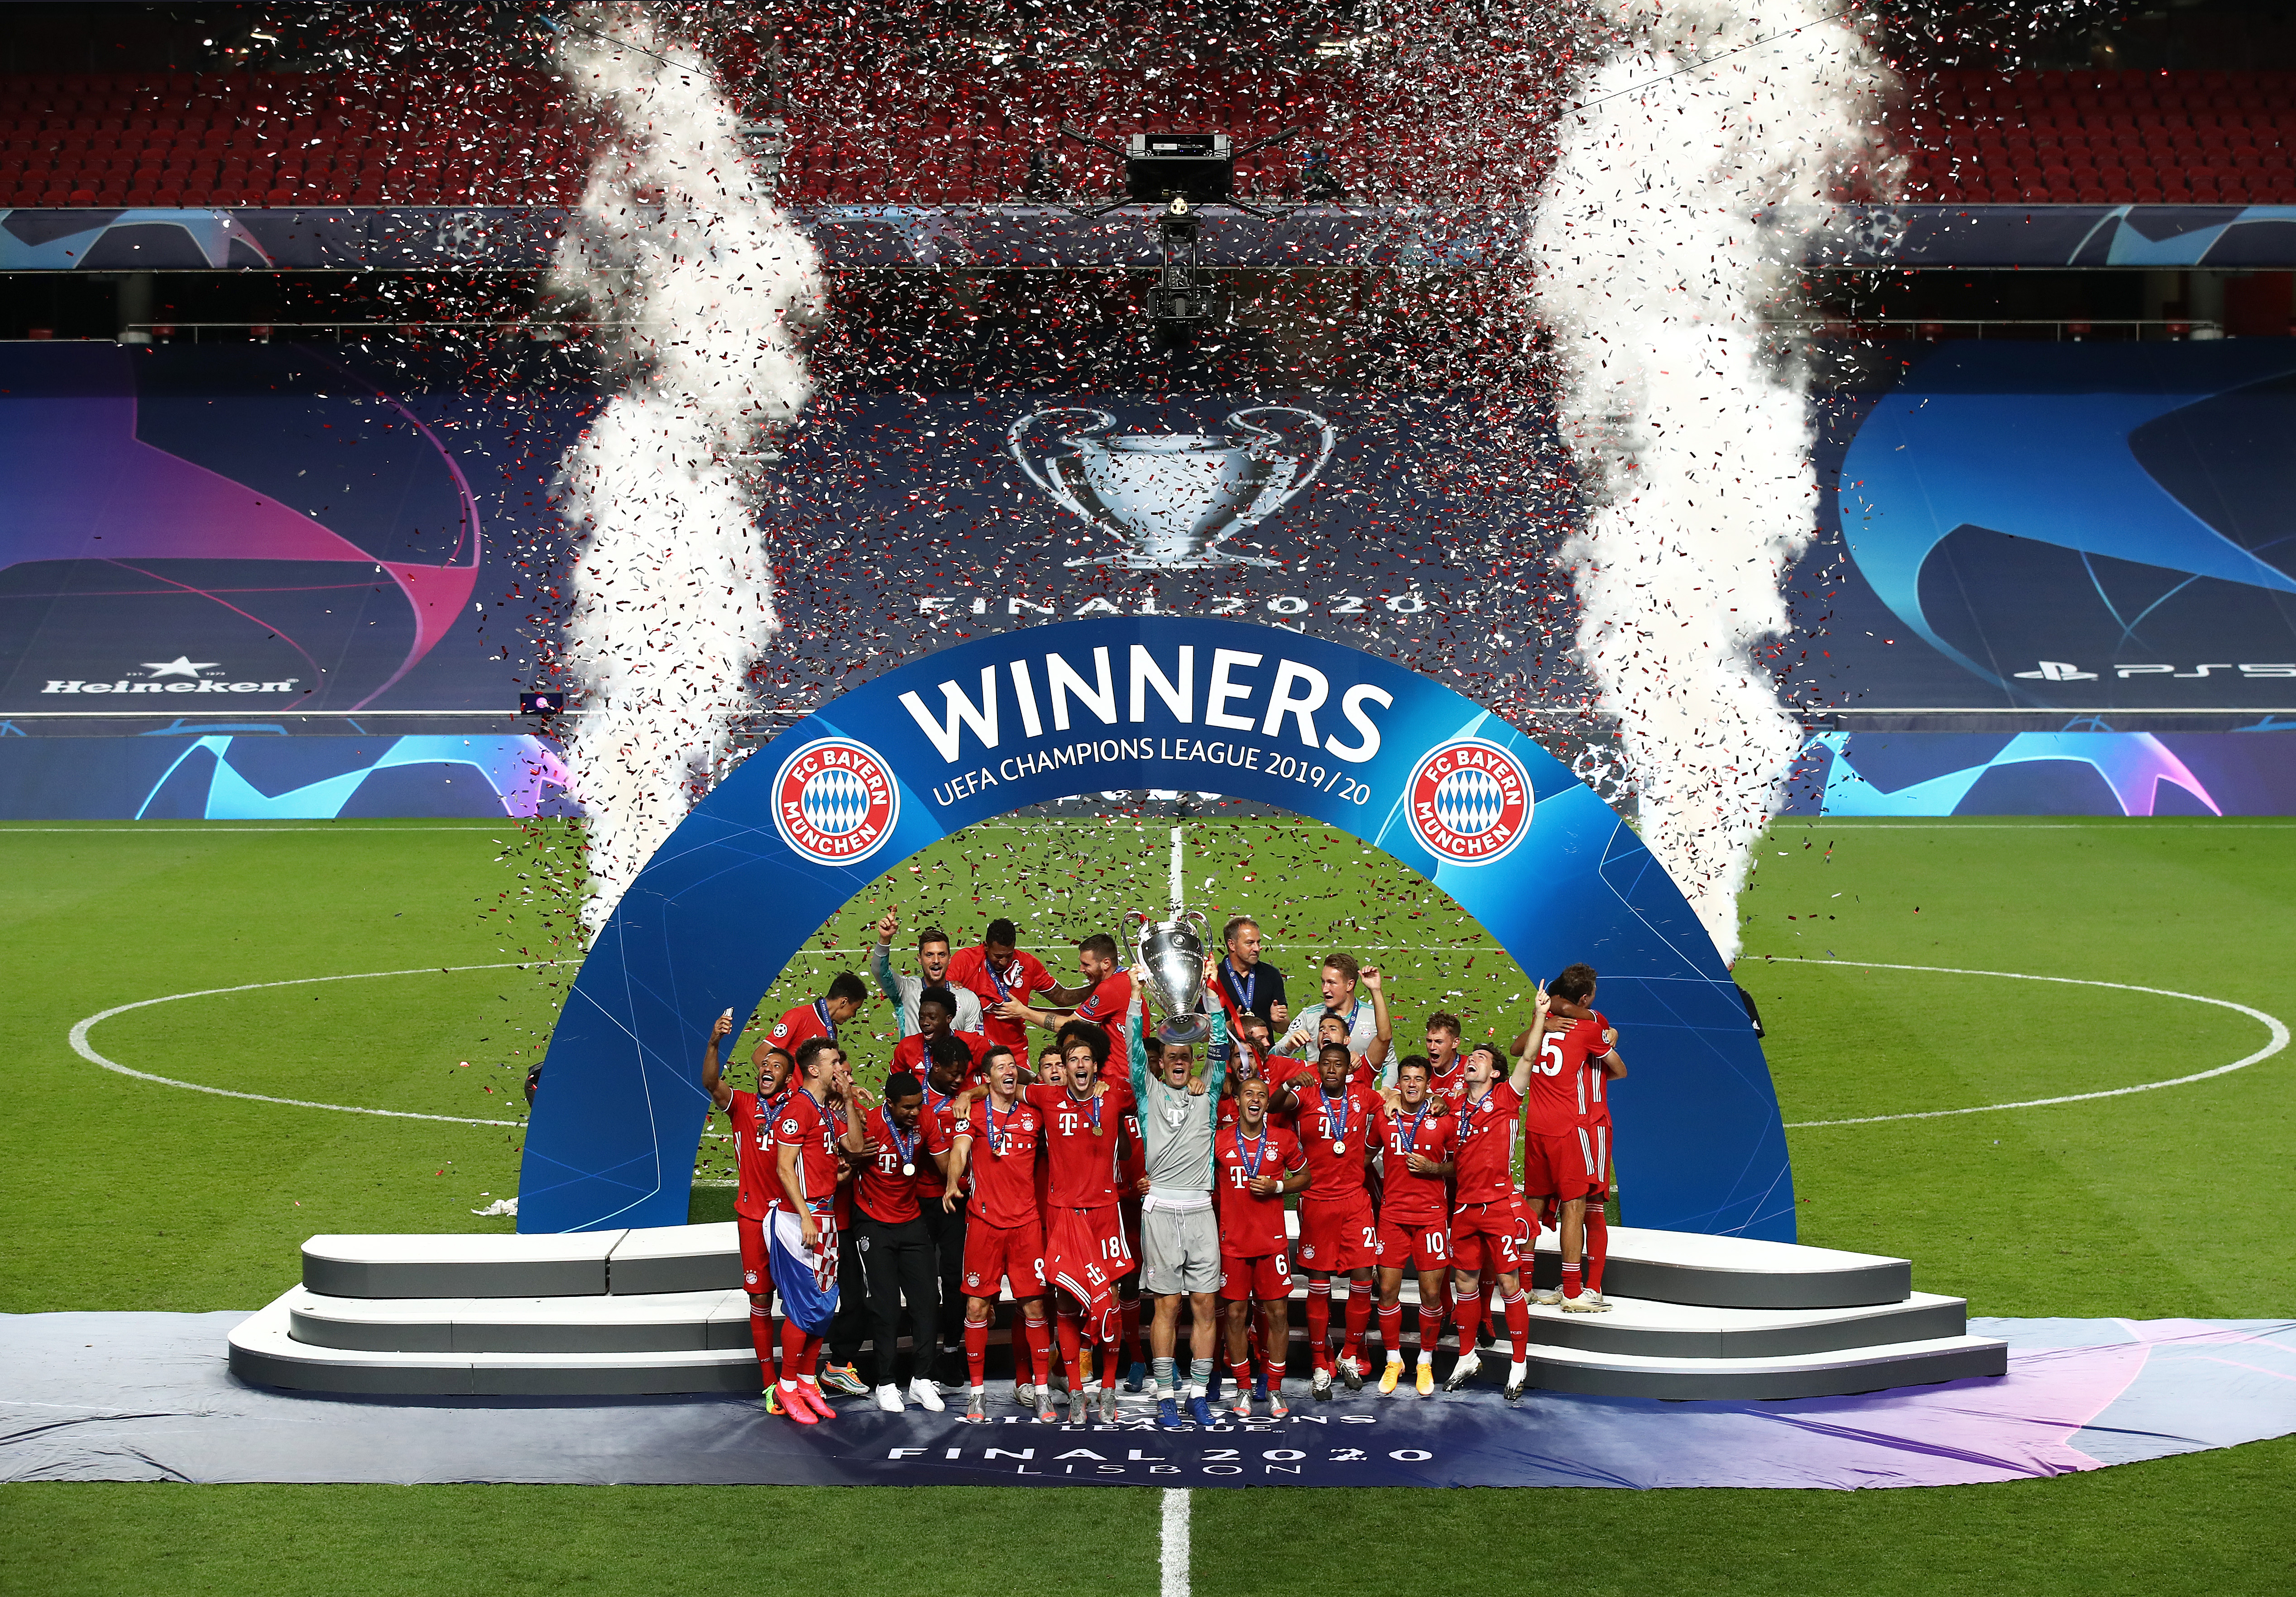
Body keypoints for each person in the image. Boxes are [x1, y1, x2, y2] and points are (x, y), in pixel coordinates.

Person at [1122, 970, 1229, 1429]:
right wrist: (1133, 995)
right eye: (1171, 1057)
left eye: (1187, 1056)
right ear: (1161, 1062)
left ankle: (1198, 1394)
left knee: (1205, 1304)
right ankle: (1166, 1393)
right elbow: (1131, 1051)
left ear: (1193, 1059)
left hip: (1201, 1209)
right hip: (1161, 1210)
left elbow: (1221, 1046)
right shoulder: (1148, 1096)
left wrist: (1209, 989)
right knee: (1166, 1306)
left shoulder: (1209, 1090)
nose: (1180, 1062)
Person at [1026, 1019, 1139, 1424]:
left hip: (1105, 1215)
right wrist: (971, 1094)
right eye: (1071, 1059)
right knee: (1067, 1303)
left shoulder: (1115, 1096)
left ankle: (1107, 1387)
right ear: (1065, 1066)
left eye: (1085, 1059)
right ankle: (1075, 1390)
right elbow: (1002, 1086)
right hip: (1063, 1215)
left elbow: (1146, 1078)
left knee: (1107, 1306)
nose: (1078, 1065)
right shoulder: (1046, 1096)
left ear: (1096, 1066)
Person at [1444, 994, 1553, 1402]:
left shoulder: (1508, 1097)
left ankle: (1519, 1362)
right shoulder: (1453, 1107)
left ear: (1495, 1073)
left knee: (1508, 1283)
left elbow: (1527, 1059)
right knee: (1465, 1282)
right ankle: (1467, 1355)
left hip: (1496, 1207)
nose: (1472, 1059)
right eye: (1469, 1056)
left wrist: (1539, 1016)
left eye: (1480, 1057)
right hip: (1464, 1210)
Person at [943, 1044, 1058, 1423]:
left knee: (1035, 1308)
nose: (1009, 1072)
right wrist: (951, 1183)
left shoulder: (1034, 1115)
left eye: (1013, 1066)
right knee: (976, 1307)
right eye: (1001, 1068)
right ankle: (977, 1394)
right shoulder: (972, 1116)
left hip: (1026, 1226)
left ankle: (1041, 1391)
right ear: (987, 1077)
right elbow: (960, 1151)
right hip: (984, 1224)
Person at [1272, 1038, 1385, 1398]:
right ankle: (1321, 1362)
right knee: (1318, 1283)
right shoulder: (1303, 1096)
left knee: (1363, 1276)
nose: (1332, 1069)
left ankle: (1350, 1354)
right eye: (1326, 1064)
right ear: (1318, 1068)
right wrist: (1290, 1083)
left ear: (1348, 1067)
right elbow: (1274, 1105)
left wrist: (1425, 1101)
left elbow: (1394, 1102)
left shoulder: (1364, 1096)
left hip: (1355, 1201)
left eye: (1339, 1064)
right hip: (1317, 1201)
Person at [843, 1070, 953, 1412]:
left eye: (918, 1106)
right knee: (887, 1305)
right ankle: (886, 1383)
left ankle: (921, 1381)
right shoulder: (871, 1122)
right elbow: (848, 1149)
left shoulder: (926, 1120)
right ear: (889, 1104)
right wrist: (855, 1149)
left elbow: (944, 1163)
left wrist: (956, 1174)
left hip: (910, 1218)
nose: (914, 1113)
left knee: (926, 1299)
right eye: (907, 1108)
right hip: (873, 1221)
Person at [1519, 964, 1625, 1312]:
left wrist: (1543, 1018)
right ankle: (1576, 1289)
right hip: (1581, 1126)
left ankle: (1523, 1284)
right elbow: (1620, 1069)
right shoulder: (1591, 1025)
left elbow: (1518, 1046)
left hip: (1537, 1125)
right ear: (1585, 997)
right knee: (1583, 1207)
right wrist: (1610, 1038)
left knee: (1535, 1203)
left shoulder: (1542, 1023)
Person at [702, 1011, 793, 1406]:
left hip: (790, 1219)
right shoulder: (741, 1105)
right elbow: (710, 1083)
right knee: (759, 1298)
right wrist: (713, 1044)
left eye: (776, 1065)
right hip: (754, 1217)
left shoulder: (799, 1111)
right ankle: (770, 1382)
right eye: (765, 1064)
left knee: (794, 1299)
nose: (767, 1069)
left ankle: (795, 1380)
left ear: (789, 1078)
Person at [769, 1036, 860, 1424]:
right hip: (797, 1221)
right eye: (833, 1062)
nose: (839, 1067)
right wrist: (805, 1216)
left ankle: (807, 1379)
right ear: (813, 1070)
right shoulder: (798, 1109)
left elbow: (854, 1147)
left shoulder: (826, 1111)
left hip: (824, 1218)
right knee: (804, 1307)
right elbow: (784, 1168)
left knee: (825, 1305)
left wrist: (851, 1100)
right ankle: (786, 1385)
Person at [1214, 1074, 1309, 1418]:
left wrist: (1278, 1187)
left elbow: (1305, 1177)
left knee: (1278, 1315)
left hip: (1271, 1244)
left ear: (1267, 1104)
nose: (1254, 1100)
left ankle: (1274, 1388)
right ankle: (1242, 1387)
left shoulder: (1283, 1140)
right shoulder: (1219, 1142)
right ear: (1237, 1102)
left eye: (1261, 1095)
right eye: (1247, 1094)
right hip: (1233, 1245)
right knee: (1236, 1316)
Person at [1373, 1055, 1457, 1397]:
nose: (1411, 1085)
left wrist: (1434, 1169)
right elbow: (1363, 1158)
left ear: (1427, 1085)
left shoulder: (1444, 1120)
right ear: (1399, 1083)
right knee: (1387, 1292)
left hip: (1430, 1218)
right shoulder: (1384, 1118)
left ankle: (1425, 1361)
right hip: (1392, 1217)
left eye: (1418, 1080)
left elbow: (1458, 1166)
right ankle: (1393, 1359)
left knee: (1432, 1294)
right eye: (1405, 1079)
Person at [915, 1032, 974, 1378]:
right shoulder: (913, 1099)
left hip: (956, 1202)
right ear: (934, 1067)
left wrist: (968, 1090)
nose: (957, 1080)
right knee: (923, 1283)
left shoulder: (965, 1097)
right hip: (920, 1201)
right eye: (952, 1073)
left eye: (962, 1074)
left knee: (954, 1279)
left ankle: (951, 1352)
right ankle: (924, 1356)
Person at [949, 918, 1090, 1057]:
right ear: (986, 946)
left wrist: (1098, 989)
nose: (1003, 962)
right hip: (975, 1048)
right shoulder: (966, 960)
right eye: (998, 956)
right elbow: (941, 994)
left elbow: (1061, 997)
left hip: (1015, 1051)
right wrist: (953, 987)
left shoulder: (1028, 964)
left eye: (1009, 955)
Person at [1276, 954, 1392, 1081]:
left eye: (1332, 983)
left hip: (1358, 1097)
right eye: (1323, 982)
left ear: (1350, 985)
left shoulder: (1375, 1017)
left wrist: (1387, 1090)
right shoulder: (1309, 1016)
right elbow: (1272, 1058)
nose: (1325, 989)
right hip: (1317, 1095)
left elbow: (1390, 1062)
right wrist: (1288, 1047)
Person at [872, 911, 984, 1036]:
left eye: (942, 955)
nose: (936, 961)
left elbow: (975, 1045)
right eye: (929, 955)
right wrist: (885, 940)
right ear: (920, 959)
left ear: (950, 959)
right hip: (914, 1056)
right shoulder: (906, 991)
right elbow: (880, 971)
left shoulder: (968, 999)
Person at [891, 985, 993, 1083]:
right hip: (923, 1101)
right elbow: (895, 1085)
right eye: (922, 1017)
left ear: (949, 1019)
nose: (925, 1023)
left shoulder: (974, 1044)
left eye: (933, 1018)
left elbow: (1001, 1075)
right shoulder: (907, 1047)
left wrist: (971, 1094)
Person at [767, 972, 869, 1056]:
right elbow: (761, 1054)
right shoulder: (798, 1016)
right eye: (855, 1009)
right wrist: (788, 1081)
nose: (854, 1016)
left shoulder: (832, 1030)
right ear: (844, 1002)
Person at [1213, 915, 1288, 1029]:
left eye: (1258, 943)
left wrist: (1277, 1020)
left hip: (1265, 1046)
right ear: (1232, 945)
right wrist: (1230, 1025)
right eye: (1250, 943)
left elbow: (1284, 1028)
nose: (1257, 949)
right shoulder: (1214, 978)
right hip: (1229, 1047)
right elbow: (1203, 1034)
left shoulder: (1271, 975)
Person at [1422, 1012, 1467, 1103]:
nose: (1432, 1047)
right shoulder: (1421, 1069)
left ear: (1455, 1043)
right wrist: (1396, 1098)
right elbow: (1398, 1092)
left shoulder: (1471, 1067)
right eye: (1429, 1041)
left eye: (1439, 1042)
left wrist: (1472, 1092)